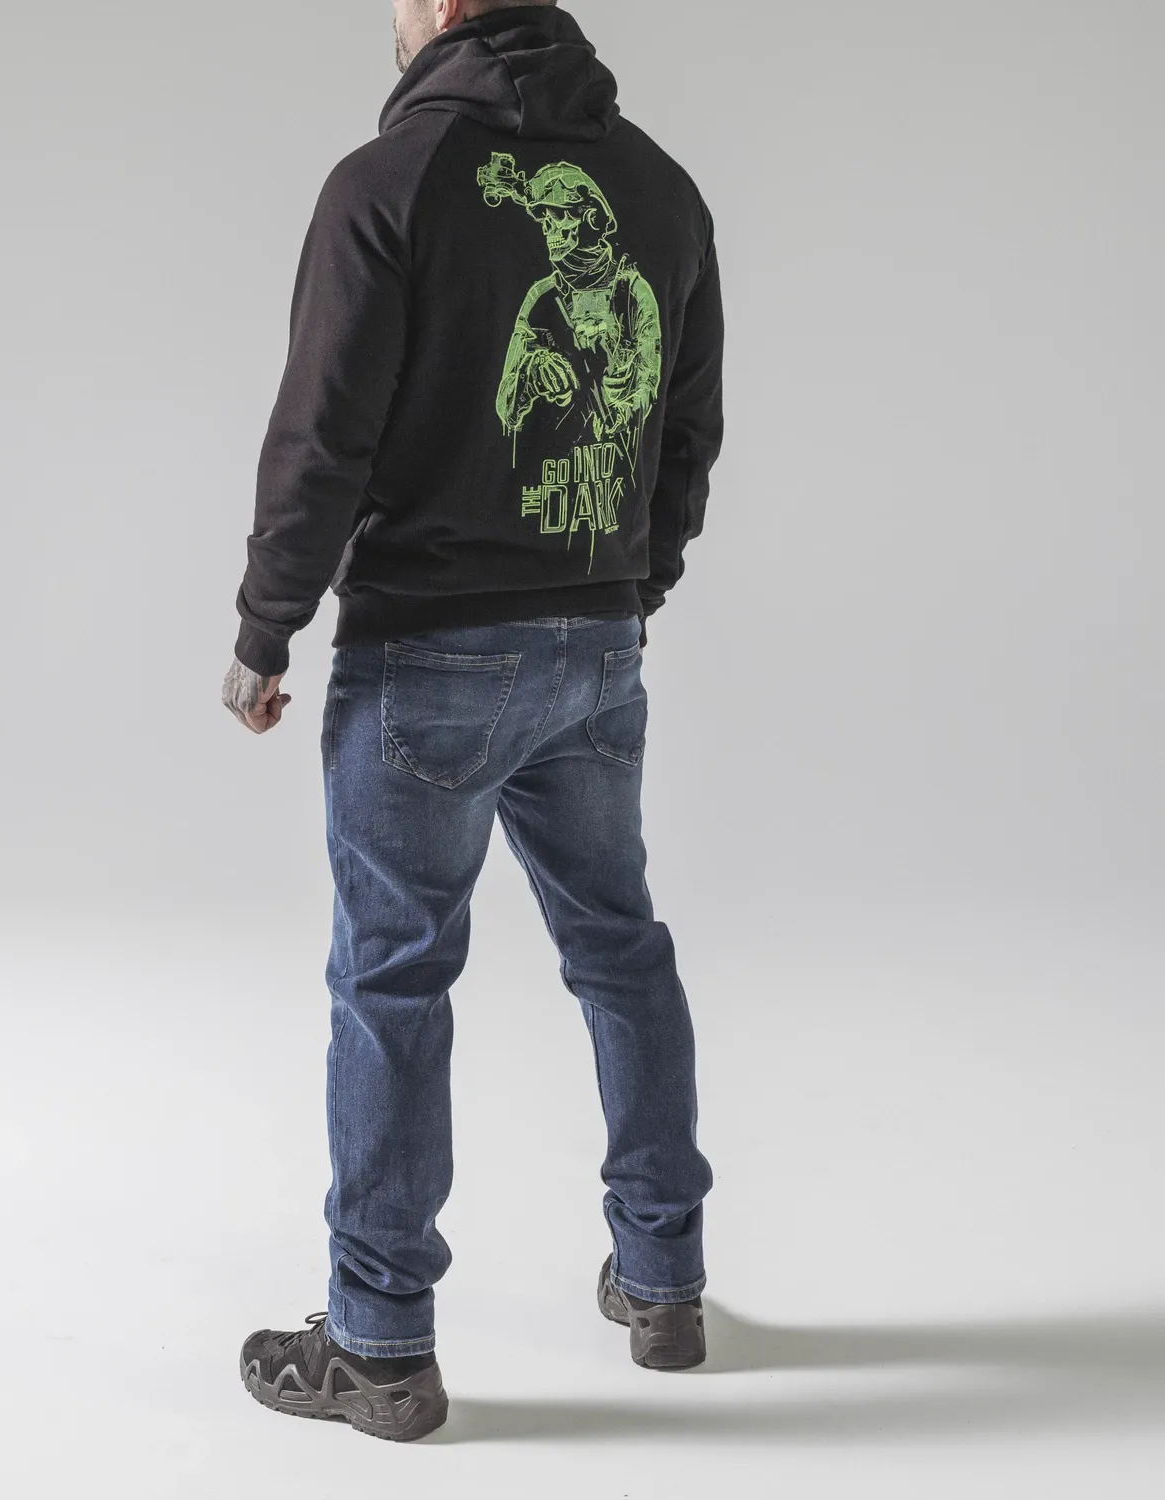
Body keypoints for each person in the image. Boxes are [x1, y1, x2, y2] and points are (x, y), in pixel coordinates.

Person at [223, 0, 724, 1441]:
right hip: (595, 644)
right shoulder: (663, 188)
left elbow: (325, 433)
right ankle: (665, 1282)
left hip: (427, 655)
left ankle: (380, 1348)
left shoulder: (386, 186)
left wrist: (265, 627)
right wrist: (623, 591)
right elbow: (688, 433)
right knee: (620, 948)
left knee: (393, 980)